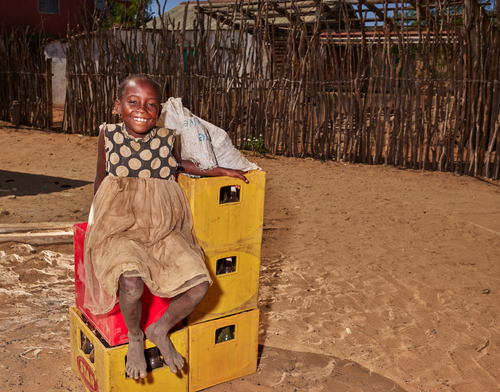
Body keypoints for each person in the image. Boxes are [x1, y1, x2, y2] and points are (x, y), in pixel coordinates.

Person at [83, 74, 248, 380]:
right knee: (131, 282)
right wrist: (95, 218)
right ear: (118, 106)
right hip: (120, 225)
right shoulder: (108, 134)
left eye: (150, 104)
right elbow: (100, 175)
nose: (141, 109)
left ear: (158, 112)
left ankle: (160, 327)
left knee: (200, 284)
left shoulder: (168, 137)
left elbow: (181, 165)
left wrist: (222, 169)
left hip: (161, 226)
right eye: (133, 102)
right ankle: (135, 336)